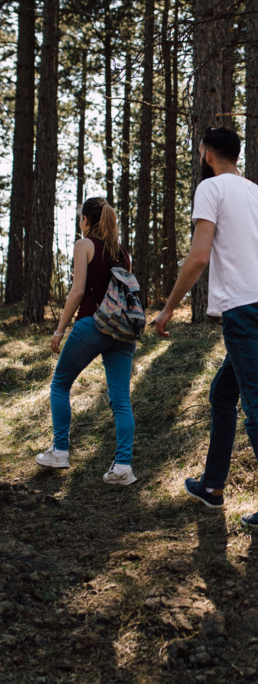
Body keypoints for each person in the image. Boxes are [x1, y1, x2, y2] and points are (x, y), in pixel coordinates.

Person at [153, 126, 258, 528]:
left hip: (245, 310)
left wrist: (167, 310)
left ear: (207, 155)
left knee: (257, 407)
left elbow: (199, 257)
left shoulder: (211, 189)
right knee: (223, 392)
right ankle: (212, 486)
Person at [36, 197, 138, 486]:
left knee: (60, 384)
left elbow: (77, 292)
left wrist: (59, 330)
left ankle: (60, 450)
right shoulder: (123, 253)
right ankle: (122, 467)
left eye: (80, 218)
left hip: (92, 325)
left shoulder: (84, 245)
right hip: (122, 331)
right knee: (121, 400)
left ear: (85, 220)